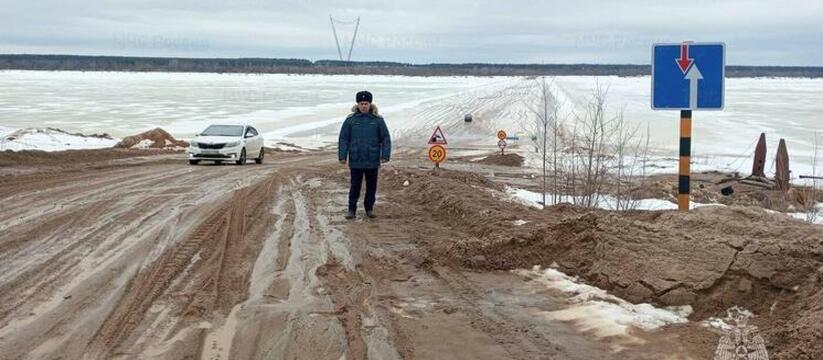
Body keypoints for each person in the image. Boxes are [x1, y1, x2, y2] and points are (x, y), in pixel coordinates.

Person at [338, 91, 391, 220]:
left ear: (370, 104)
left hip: (372, 160)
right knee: (355, 186)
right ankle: (351, 210)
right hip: (356, 159)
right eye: (361, 103)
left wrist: (385, 155)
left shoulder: (377, 120)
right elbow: (344, 139)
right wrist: (342, 156)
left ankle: (369, 209)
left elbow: (385, 138)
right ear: (357, 104)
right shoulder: (351, 120)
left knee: (371, 186)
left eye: (366, 103)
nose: (363, 106)